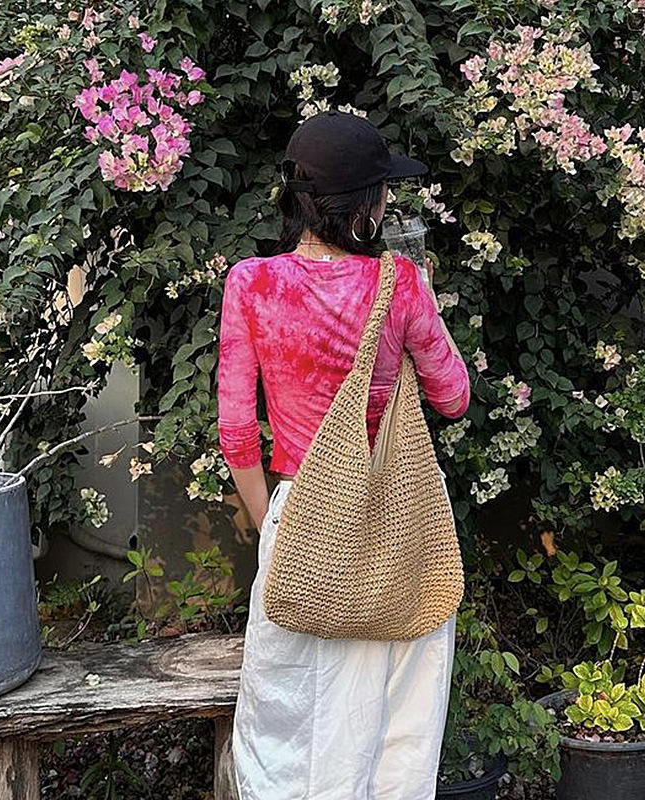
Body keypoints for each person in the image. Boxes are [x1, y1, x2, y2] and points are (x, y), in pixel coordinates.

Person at [217, 111, 471, 800]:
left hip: (300, 516)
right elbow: (453, 397)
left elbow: (236, 431)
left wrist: (275, 525)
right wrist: (425, 305)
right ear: (370, 201)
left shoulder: (251, 283)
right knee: (398, 715)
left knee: (291, 719)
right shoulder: (401, 284)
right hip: (399, 521)